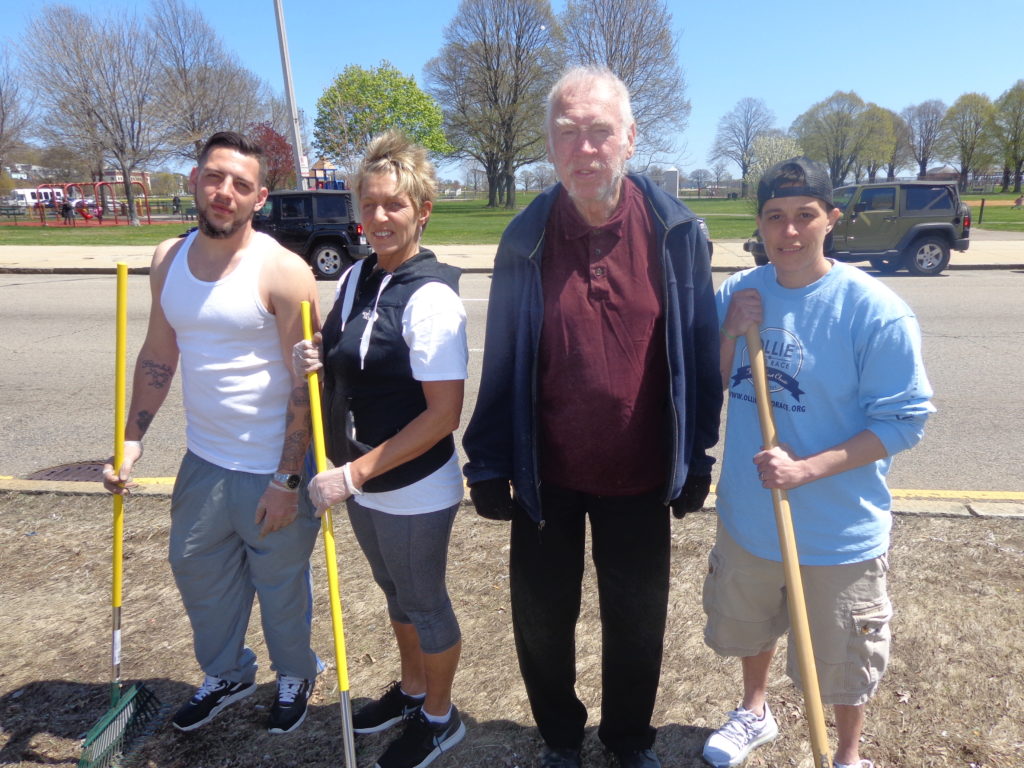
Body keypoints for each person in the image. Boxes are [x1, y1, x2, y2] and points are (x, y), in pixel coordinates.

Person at [462, 67, 722, 768]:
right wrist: (486, 459)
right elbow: (506, 359)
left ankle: (629, 740)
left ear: (630, 139)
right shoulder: (525, 238)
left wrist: (697, 454)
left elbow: (699, 354)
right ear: (550, 145)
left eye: (600, 131)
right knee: (543, 622)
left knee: (637, 621)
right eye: (568, 133)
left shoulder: (675, 233)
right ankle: (559, 740)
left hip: (639, 471)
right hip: (545, 471)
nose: (585, 148)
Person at [702, 156, 935, 768]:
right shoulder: (740, 292)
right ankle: (754, 712)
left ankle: (847, 753)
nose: (790, 232)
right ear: (759, 222)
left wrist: (807, 470)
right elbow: (703, 389)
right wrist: (729, 332)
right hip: (751, 516)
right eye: (775, 217)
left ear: (832, 218)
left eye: (805, 216)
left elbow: (904, 421)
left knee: (843, 654)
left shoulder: (873, 309)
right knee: (751, 625)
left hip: (838, 529)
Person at [101, 131, 323, 736]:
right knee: (196, 569)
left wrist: (286, 478)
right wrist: (132, 438)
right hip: (203, 460)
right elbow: (158, 353)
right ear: (196, 179)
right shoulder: (166, 260)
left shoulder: (284, 272)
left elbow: (307, 389)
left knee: (280, 588)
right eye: (215, 177)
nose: (225, 192)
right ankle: (227, 674)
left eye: (241, 185)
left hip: (271, 467)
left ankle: (296, 673)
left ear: (259, 198)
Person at [293, 131, 468, 768]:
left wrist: (355, 472)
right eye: (369, 205)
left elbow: (443, 414)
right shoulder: (361, 275)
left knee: (424, 601)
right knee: (395, 595)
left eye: (394, 205)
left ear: (421, 210)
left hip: (413, 484)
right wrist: (319, 355)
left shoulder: (432, 297)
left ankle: (441, 719)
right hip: (361, 477)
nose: (379, 218)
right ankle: (413, 689)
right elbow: (348, 352)